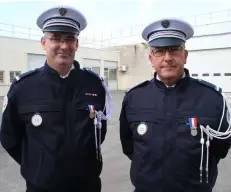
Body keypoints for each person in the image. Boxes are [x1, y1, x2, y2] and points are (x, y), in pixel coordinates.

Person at [0, 5, 112, 192]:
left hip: (86, 186)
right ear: (44, 42)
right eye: (56, 39)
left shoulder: (94, 85)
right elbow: (9, 137)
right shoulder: (23, 87)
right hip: (41, 187)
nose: (64, 45)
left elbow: (98, 132)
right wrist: (37, 164)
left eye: (70, 39)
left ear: (76, 44)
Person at [119, 18, 231, 192]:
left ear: (185, 56)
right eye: (160, 51)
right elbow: (129, 146)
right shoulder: (134, 98)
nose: (168, 58)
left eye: (174, 50)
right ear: (151, 58)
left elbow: (220, 149)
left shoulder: (212, 98)